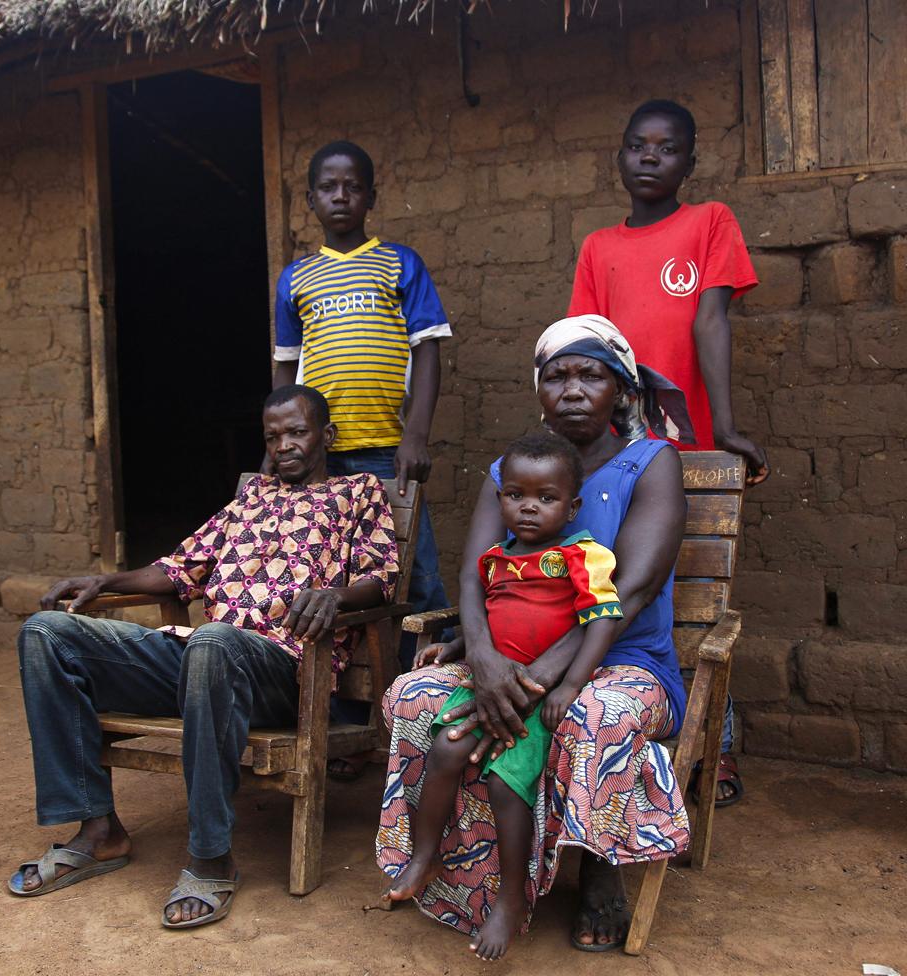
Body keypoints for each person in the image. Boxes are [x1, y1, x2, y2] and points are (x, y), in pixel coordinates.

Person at [9, 384, 397, 929]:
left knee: (215, 640)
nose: (284, 445)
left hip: (280, 671)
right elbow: (177, 568)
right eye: (273, 436)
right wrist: (106, 580)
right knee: (47, 632)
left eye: (297, 432)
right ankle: (97, 830)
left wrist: (336, 595)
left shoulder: (358, 494)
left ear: (326, 435)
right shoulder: (251, 499)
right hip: (197, 660)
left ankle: (211, 858)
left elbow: (381, 580)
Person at [377, 315, 689, 954]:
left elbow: (629, 592)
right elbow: (475, 573)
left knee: (593, 715)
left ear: (622, 390)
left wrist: (533, 678)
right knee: (416, 698)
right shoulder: (513, 470)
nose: (572, 389)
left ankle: (600, 871)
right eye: (557, 377)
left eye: (591, 374)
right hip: (510, 656)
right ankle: (461, 873)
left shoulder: (651, 464)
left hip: (620, 655)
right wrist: (485, 659)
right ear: (539, 391)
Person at [568, 99, 766, 804]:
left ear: (691, 160)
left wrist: (727, 427)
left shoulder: (708, 222)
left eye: (668, 147)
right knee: (623, 588)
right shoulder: (599, 247)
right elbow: (586, 349)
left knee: (697, 602)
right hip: (618, 450)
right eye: (637, 145)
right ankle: (619, 736)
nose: (650, 157)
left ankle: (718, 748)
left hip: (686, 447)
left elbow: (710, 320)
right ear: (619, 156)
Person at [383, 430, 623, 960]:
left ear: (573, 504)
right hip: (486, 684)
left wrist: (571, 683)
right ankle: (424, 856)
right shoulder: (496, 559)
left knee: (505, 783)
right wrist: (454, 645)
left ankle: (511, 900)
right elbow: (487, 617)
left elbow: (601, 621)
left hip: (535, 694)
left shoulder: (584, 556)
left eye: (546, 498)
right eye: (516, 495)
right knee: (444, 749)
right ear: (500, 499)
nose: (530, 508)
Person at [272, 140, 452, 777]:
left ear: (371, 197)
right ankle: (348, 722)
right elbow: (286, 369)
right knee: (329, 585)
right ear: (312, 199)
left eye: (353, 187)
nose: (340, 197)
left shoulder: (399, 264)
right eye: (328, 187)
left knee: (414, 582)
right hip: (322, 462)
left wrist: (417, 436)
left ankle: (416, 715)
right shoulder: (295, 279)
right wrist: (281, 447)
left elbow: (428, 350)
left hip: (385, 454)